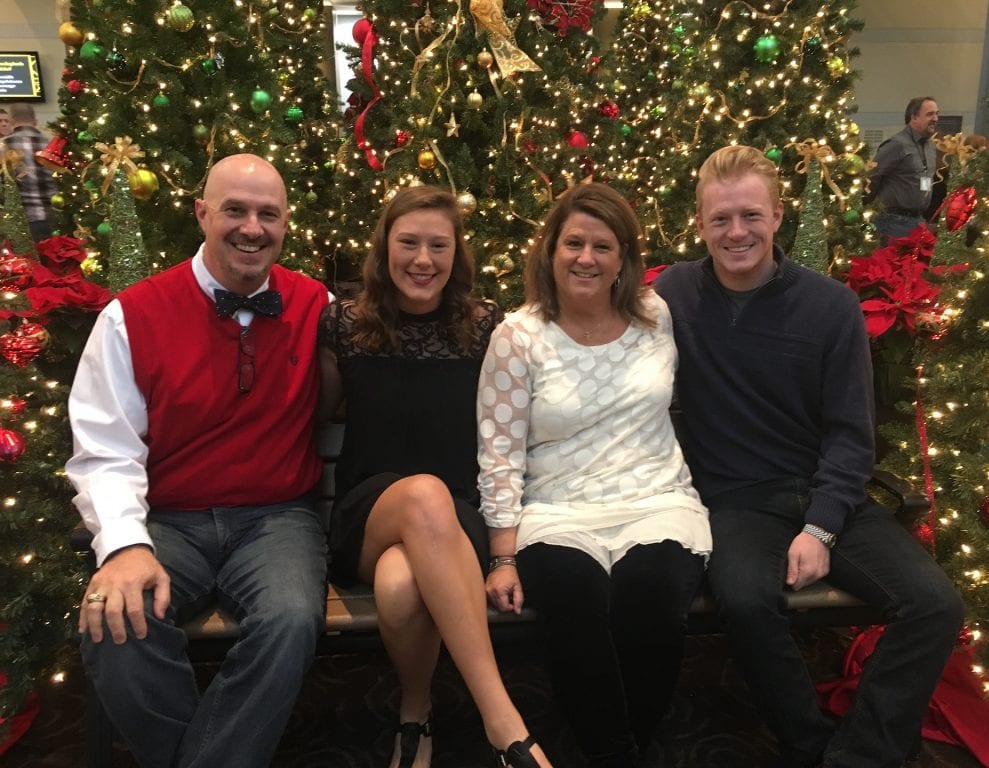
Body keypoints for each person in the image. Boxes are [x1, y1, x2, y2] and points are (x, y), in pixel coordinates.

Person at [655, 145, 963, 768]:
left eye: (750, 215)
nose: (736, 232)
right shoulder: (673, 295)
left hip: (829, 492)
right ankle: (808, 744)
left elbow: (853, 434)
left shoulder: (830, 306)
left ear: (777, 215)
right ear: (699, 225)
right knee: (743, 600)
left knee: (936, 604)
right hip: (737, 500)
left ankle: (856, 756)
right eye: (720, 219)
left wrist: (821, 524)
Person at [67, 154, 330, 768]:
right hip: (168, 520)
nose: (251, 227)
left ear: (286, 224)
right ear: (202, 213)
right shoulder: (132, 315)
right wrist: (126, 546)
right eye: (235, 210)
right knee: (115, 620)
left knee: (290, 621)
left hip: (276, 519)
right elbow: (105, 449)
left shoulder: (314, 304)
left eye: (269, 214)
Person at [478, 183, 712, 768]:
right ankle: (619, 756)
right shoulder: (518, 336)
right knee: (573, 607)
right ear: (550, 251)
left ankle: (615, 751)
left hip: (657, 500)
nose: (586, 257)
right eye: (574, 243)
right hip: (557, 510)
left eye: (603, 245)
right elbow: (499, 450)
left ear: (624, 259)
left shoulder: (656, 316)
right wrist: (503, 556)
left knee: (652, 606)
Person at [318, 186, 553, 768]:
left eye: (438, 246)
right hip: (367, 513)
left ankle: (414, 713)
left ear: (457, 255)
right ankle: (504, 724)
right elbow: (316, 410)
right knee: (422, 493)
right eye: (409, 243)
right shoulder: (344, 322)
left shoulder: (485, 326)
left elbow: (508, 425)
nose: (423, 260)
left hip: (459, 516)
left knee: (402, 586)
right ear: (384, 248)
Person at [867, 96, 940, 244]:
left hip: (919, 221)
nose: (936, 118)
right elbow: (872, 177)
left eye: (937, 113)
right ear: (914, 118)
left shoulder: (930, 147)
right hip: (894, 222)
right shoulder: (896, 145)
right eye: (929, 114)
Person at [0, 103, 57, 241]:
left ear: (12, 121)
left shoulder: (3, 146)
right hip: (54, 218)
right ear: (35, 121)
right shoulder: (52, 146)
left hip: (21, 221)